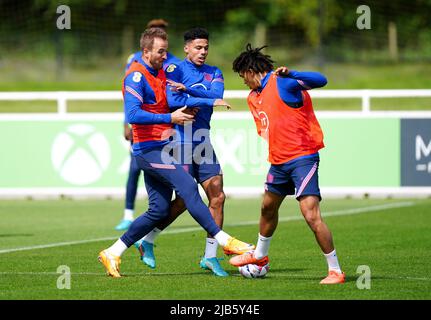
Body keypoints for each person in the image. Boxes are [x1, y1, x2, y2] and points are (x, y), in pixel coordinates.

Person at [98, 28, 254, 278]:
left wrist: (191, 95)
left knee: (159, 209)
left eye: (165, 51)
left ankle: (113, 251)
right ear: (146, 51)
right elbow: (135, 114)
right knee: (188, 190)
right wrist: (173, 115)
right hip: (156, 147)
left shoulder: (161, 72)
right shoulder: (138, 76)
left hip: (183, 142)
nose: (165, 56)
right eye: (161, 51)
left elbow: (208, 96)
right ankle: (225, 241)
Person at [228, 44, 345, 285]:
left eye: (243, 76)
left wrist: (293, 74)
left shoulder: (282, 82)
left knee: (311, 215)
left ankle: (335, 271)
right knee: (267, 207)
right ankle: (259, 256)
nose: (243, 82)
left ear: (251, 70)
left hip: (302, 158)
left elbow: (321, 80)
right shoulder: (253, 97)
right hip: (279, 162)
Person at [134, 27, 231, 276]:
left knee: (217, 197)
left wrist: (188, 91)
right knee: (183, 202)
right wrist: (202, 98)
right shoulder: (174, 69)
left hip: (202, 140)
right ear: (187, 48)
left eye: (206, 48)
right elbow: (173, 102)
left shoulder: (215, 72)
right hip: (179, 141)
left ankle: (210, 257)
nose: (203, 52)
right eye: (198, 47)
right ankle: (148, 239)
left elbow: (216, 96)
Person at [115, 18, 182, 231]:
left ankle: (151, 219)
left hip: (165, 131)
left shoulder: (172, 62)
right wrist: (126, 122)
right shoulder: (134, 61)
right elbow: (131, 98)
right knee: (135, 168)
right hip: (143, 127)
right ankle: (128, 213)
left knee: (161, 181)